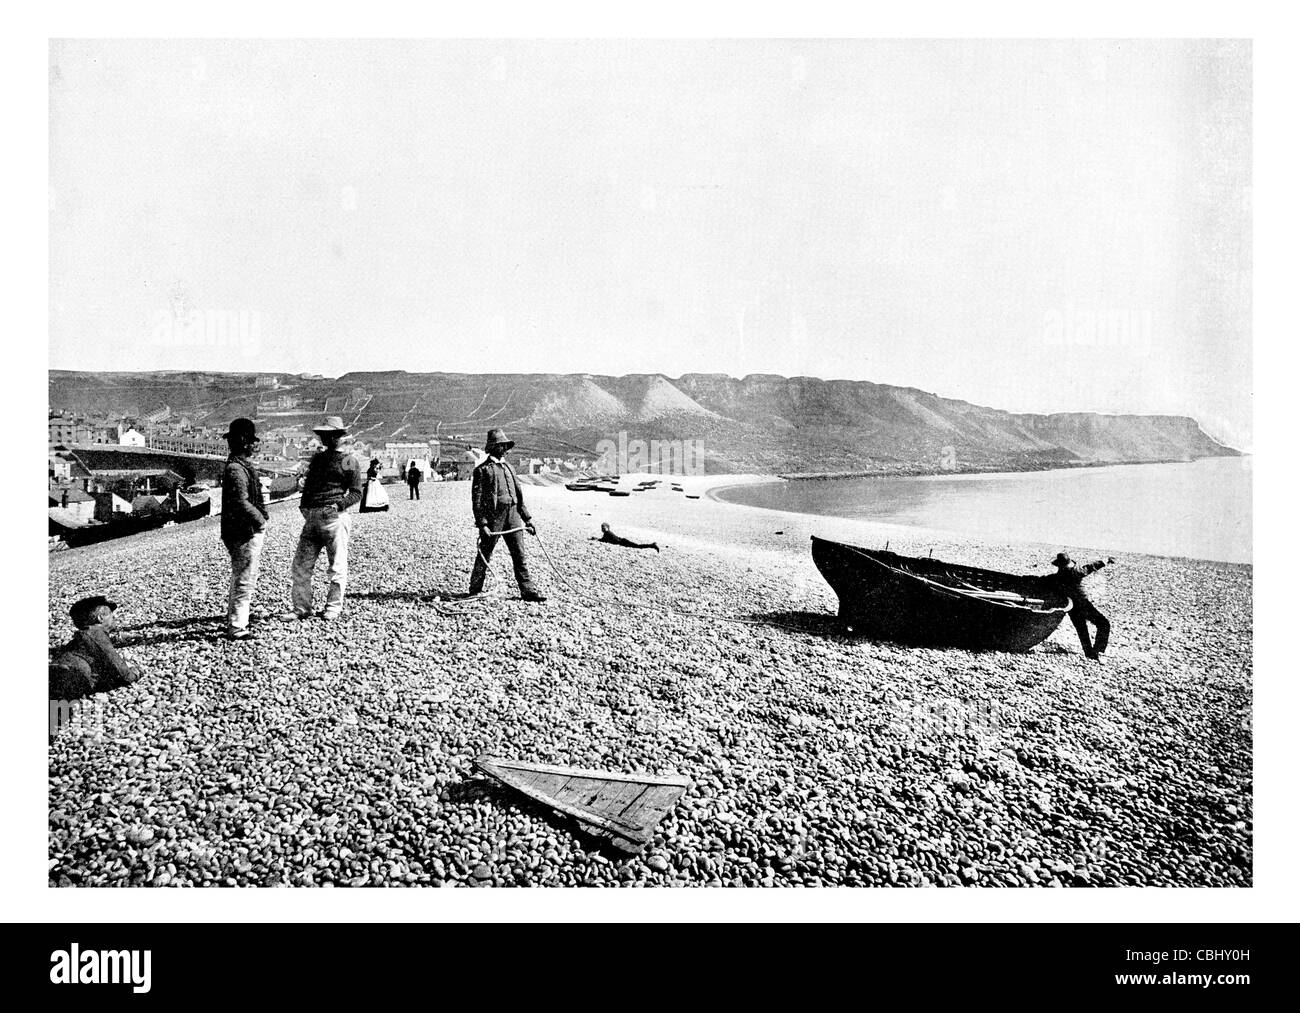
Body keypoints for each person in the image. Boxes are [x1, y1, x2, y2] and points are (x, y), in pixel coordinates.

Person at [289, 417, 363, 620]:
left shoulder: (349, 460)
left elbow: (357, 493)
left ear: (340, 437)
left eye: (331, 435)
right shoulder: (318, 459)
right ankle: (301, 608)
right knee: (301, 565)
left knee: (337, 565)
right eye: (324, 435)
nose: (326, 439)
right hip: (312, 517)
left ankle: (333, 607)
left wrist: (338, 505)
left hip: (334, 517)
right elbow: (310, 486)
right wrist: (304, 507)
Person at [469, 428, 546, 602]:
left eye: (505, 445)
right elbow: (477, 500)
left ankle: (527, 590)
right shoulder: (482, 470)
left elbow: (519, 497)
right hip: (493, 518)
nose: (505, 449)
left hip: (513, 516)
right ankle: (474, 589)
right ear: (493, 447)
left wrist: (528, 519)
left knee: (519, 554)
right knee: (485, 553)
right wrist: (482, 524)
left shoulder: (510, 468)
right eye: (501, 445)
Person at [219, 417, 269, 641]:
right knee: (244, 579)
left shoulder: (236, 466)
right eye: (251, 441)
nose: (255, 445)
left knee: (242, 576)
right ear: (243, 442)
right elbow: (241, 502)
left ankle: (237, 620)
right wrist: (261, 520)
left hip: (239, 530)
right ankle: (237, 626)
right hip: (244, 531)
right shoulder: (237, 469)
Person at [49, 596, 142, 699]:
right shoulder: (96, 633)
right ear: (100, 617)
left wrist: (117, 639)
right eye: (111, 615)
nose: (114, 618)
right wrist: (135, 673)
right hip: (70, 675)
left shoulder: (84, 635)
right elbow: (118, 666)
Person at [1045, 551, 1115, 660]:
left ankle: (1089, 653)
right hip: (1083, 604)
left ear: (1059, 565)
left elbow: (1044, 581)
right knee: (1103, 623)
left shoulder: (1056, 578)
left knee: (1082, 629)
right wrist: (1106, 560)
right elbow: (1091, 567)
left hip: (1070, 606)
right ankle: (1099, 651)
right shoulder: (1076, 572)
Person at [591, 522, 660, 553]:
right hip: (622, 541)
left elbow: (604, 540)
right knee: (637, 546)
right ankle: (652, 545)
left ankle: (652, 545)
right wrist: (596, 539)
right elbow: (603, 540)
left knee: (638, 546)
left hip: (623, 542)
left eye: (604, 527)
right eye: (602, 527)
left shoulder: (608, 533)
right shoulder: (607, 534)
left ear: (608, 528)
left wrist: (597, 539)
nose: (602, 529)